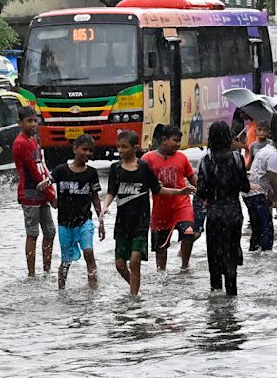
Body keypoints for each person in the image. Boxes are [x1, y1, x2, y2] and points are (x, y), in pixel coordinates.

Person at [101, 131, 195, 295]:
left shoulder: (144, 167)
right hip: (122, 223)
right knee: (120, 265)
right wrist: (104, 207)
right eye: (118, 147)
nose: (121, 150)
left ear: (135, 148)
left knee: (135, 261)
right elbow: (111, 192)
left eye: (125, 147)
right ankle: (135, 286)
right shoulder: (115, 168)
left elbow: (158, 189)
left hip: (141, 223)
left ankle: (134, 298)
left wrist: (180, 192)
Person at [39, 134, 104, 290]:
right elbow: (47, 183)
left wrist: (101, 222)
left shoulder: (91, 173)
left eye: (91, 151)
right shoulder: (61, 170)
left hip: (84, 222)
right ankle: (61, 290)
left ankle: (93, 289)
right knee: (66, 261)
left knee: (88, 252)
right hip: (65, 224)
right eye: (84, 149)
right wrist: (51, 197)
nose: (88, 153)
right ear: (75, 149)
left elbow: (95, 199)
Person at [197, 121, 252, 295]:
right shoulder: (237, 158)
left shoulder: (206, 160)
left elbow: (202, 191)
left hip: (214, 213)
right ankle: (231, 294)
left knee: (214, 254)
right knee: (231, 253)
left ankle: (216, 297)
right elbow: (245, 187)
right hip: (234, 212)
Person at [142, 125, 197, 271]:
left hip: (182, 205)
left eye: (179, 141)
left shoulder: (182, 157)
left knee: (189, 234)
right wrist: (151, 182)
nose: (178, 144)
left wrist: (202, 193)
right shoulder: (148, 158)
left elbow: (191, 176)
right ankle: (161, 273)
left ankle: (184, 267)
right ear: (164, 140)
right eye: (175, 141)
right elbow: (140, 180)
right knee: (161, 246)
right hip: (161, 209)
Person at [12, 106, 57, 278]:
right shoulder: (21, 143)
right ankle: (32, 274)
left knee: (50, 232)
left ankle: (46, 270)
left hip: (42, 192)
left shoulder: (33, 139)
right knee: (32, 234)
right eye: (29, 121)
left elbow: (42, 167)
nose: (33, 124)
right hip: (30, 194)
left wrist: (50, 190)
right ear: (20, 123)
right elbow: (34, 172)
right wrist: (51, 195)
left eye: (35, 121)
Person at [242, 127, 277, 251]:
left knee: (257, 227)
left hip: (248, 192)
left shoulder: (266, 150)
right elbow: (272, 178)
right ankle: (266, 255)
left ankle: (255, 252)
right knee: (267, 228)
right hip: (256, 193)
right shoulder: (273, 155)